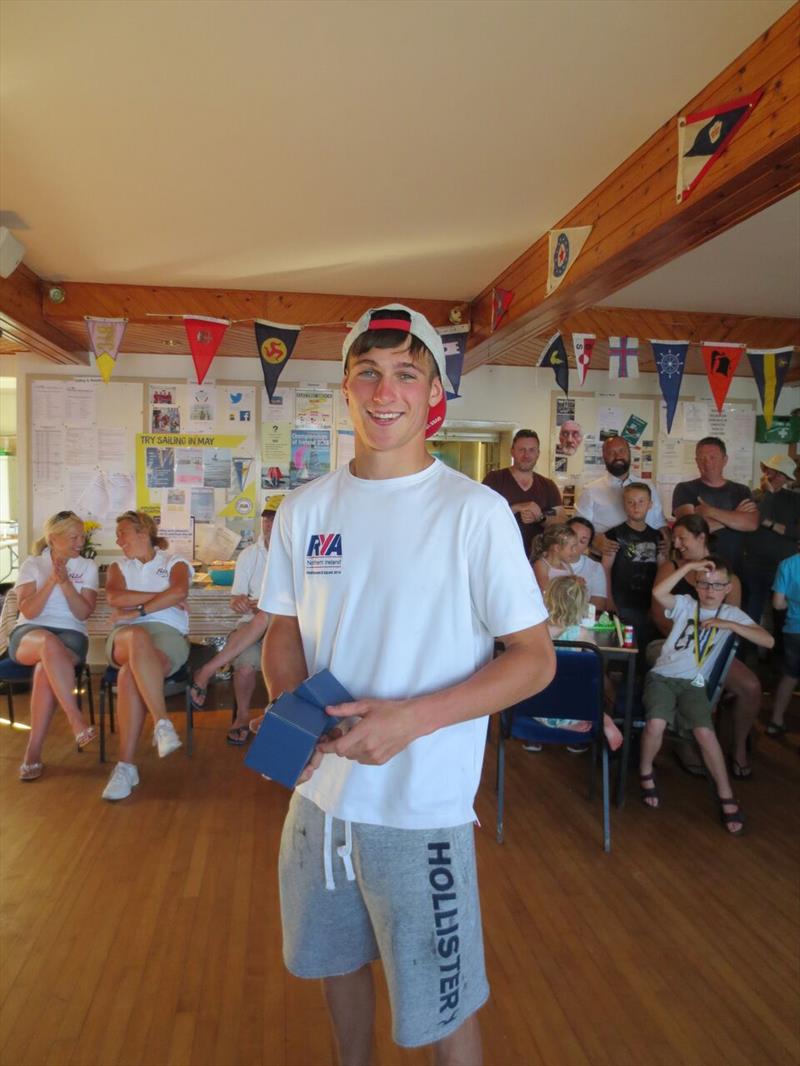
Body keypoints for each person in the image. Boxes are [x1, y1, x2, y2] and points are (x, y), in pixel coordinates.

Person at [259, 303, 554, 1063]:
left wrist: (409, 721)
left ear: (433, 396)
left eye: (405, 374)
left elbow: (533, 658)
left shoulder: (475, 513)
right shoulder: (304, 508)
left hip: (421, 810)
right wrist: (295, 710)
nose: (384, 391)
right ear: (346, 389)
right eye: (368, 373)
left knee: (441, 1008)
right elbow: (284, 627)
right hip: (320, 800)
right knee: (337, 966)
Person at [640, 557, 774, 835]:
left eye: (717, 585)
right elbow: (658, 594)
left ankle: (726, 794)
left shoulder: (732, 615)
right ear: (697, 586)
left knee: (705, 733)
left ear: (727, 588)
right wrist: (688, 568)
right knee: (656, 724)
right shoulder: (686, 605)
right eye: (704, 584)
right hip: (663, 677)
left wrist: (731, 626)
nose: (710, 590)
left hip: (693, 684)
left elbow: (768, 641)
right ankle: (645, 770)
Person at [651, 513, 762, 778]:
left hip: (712, 648)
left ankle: (738, 749)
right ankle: (685, 743)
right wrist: (684, 637)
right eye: (675, 538)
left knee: (751, 686)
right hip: (672, 644)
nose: (677, 544)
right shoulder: (671, 567)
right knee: (683, 678)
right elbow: (657, 614)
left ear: (701, 537)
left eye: (682, 538)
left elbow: (732, 620)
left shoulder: (727, 576)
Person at [101, 510, 193, 801]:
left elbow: (179, 590)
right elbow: (115, 598)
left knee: (130, 673)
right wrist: (158, 598)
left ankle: (126, 767)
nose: (118, 540)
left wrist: (137, 610)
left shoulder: (174, 561)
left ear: (143, 532)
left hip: (168, 636)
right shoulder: (119, 566)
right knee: (137, 637)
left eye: (123, 533)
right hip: (126, 636)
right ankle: (162, 722)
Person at [10, 511, 98, 781]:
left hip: (71, 637)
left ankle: (33, 752)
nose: (80, 542)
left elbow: (83, 613)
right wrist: (51, 580)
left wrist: (66, 582)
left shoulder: (87, 567)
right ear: (53, 539)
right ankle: (75, 718)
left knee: (43, 670)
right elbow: (29, 611)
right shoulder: (32, 565)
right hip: (29, 635)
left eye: (81, 536)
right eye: (74, 537)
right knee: (47, 643)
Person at [189, 501, 277, 744]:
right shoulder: (249, 554)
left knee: (264, 614)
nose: (270, 523)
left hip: (284, 625)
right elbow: (236, 596)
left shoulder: (297, 552)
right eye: (267, 518)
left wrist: (267, 605)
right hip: (252, 621)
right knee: (246, 665)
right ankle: (242, 716)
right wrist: (239, 602)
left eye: (276, 518)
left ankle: (206, 671)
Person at [531, 576, 623, 751]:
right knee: (583, 687)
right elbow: (595, 664)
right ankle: (600, 717)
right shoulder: (581, 635)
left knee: (538, 693)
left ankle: (557, 724)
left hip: (538, 700)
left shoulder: (537, 630)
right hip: (570, 702)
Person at [672, 436, 757, 578]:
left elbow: (751, 523)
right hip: (697, 568)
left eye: (713, 457)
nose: (707, 463)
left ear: (725, 460)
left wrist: (710, 512)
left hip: (735, 567)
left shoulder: (742, 490)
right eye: (702, 458)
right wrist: (735, 516)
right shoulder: (685, 489)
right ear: (696, 461)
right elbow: (690, 531)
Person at [483, 429, 562, 557]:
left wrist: (541, 517)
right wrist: (516, 508)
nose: (526, 455)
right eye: (521, 450)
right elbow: (481, 516)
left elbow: (561, 522)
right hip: (501, 556)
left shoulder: (548, 485)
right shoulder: (495, 479)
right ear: (512, 451)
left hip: (539, 560)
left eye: (532, 450)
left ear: (538, 453)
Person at [601, 483, 661, 652]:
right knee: (623, 645)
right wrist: (609, 598)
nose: (636, 506)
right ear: (624, 504)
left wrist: (657, 605)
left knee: (645, 644)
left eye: (641, 502)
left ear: (650, 504)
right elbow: (605, 568)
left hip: (648, 602)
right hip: (622, 601)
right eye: (631, 502)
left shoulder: (657, 537)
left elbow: (663, 570)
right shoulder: (614, 535)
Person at [742, 454, 800, 626]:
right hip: (755, 564)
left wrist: (772, 524)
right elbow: (756, 521)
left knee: (782, 612)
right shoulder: (752, 496)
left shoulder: (796, 499)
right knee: (752, 611)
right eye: (769, 471)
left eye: (779, 473)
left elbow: (798, 532)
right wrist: (769, 494)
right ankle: (749, 650)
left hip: (784, 565)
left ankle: (779, 652)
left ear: (785, 477)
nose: (772, 476)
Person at [576, 435, 665, 539]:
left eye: (621, 451)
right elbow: (578, 529)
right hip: (604, 554)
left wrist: (665, 539)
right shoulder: (590, 490)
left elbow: (660, 523)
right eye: (611, 453)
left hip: (646, 551)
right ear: (604, 457)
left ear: (630, 454)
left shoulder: (648, 487)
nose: (618, 457)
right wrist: (594, 541)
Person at [768, 551, 800, 737]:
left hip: (794, 629)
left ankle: (776, 721)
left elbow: (778, 604)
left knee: (789, 675)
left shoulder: (787, 564)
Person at [566, 516, 607, 612]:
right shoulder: (545, 563)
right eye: (572, 536)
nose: (575, 544)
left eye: (582, 541)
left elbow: (597, 608)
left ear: (587, 546)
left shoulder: (595, 568)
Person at [530, 524, 576, 593]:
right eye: (572, 547)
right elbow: (545, 590)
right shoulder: (542, 565)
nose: (575, 551)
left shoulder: (567, 566)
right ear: (557, 548)